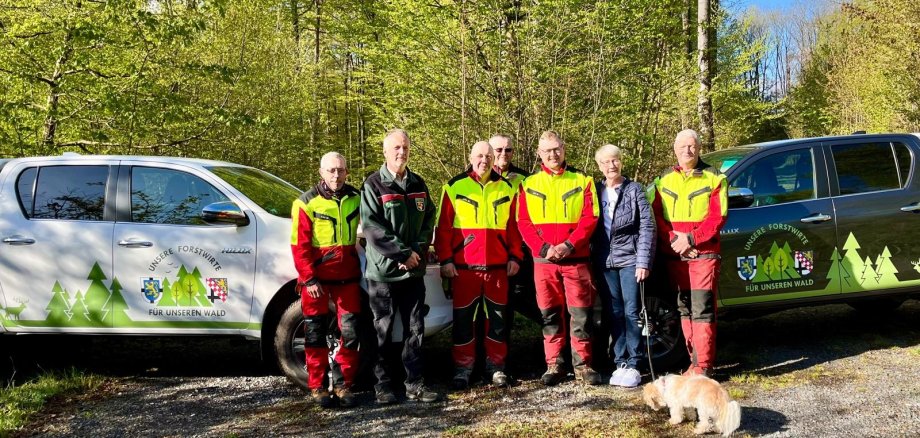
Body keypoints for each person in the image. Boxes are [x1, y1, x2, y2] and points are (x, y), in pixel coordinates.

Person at [360, 128, 440, 404]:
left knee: (414, 330)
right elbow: (372, 228)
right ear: (385, 152)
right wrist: (403, 254)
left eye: (405, 147)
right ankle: (383, 386)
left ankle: (415, 384)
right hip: (383, 274)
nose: (401, 152)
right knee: (381, 331)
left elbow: (429, 218)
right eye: (396, 148)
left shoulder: (418, 183)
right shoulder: (373, 185)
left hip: (413, 272)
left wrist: (416, 251)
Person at [517, 130, 602, 386]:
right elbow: (523, 221)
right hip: (544, 263)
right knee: (549, 314)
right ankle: (554, 364)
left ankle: (583, 365)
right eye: (547, 151)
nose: (553, 154)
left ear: (564, 149)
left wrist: (568, 245)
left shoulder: (583, 180)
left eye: (557, 149)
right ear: (539, 154)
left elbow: (591, 217)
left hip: (575, 259)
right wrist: (544, 249)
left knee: (580, 314)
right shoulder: (528, 184)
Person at [435, 141, 523, 390]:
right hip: (464, 268)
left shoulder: (507, 188)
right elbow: (442, 228)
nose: (484, 160)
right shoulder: (453, 187)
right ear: (470, 157)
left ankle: (496, 367)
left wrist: (515, 257)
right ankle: (463, 368)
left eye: (488, 155)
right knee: (463, 322)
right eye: (479, 156)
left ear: (494, 158)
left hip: (498, 268)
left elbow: (514, 227)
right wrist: (446, 260)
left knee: (497, 321)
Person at [649, 129, 727, 377]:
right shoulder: (663, 180)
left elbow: (718, 217)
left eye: (692, 146)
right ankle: (694, 361)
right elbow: (657, 216)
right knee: (684, 308)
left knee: (702, 309)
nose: (688, 150)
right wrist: (674, 239)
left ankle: (703, 366)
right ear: (675, 149)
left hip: (703, 254)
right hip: (675, 255)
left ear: (699, 148)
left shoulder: (715, 178)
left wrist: (692, 239)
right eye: (683, 146)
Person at [290, 151, 362, 408]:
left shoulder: (357, 197)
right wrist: (309, 279)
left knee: (351, 333)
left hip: (348, 278)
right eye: (331, 170)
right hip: (316, 281)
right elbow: (299, 245)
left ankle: (344, 385)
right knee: (315, 333)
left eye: (341, 170)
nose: (336, 175)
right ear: (321, 172)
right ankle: (318, 387)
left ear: (347, 172)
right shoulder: (305, 203)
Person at [591, 144, 655, 388]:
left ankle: (636, 362)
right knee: (613, 312)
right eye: (606, 162)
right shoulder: (595, 191)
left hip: (630, 260)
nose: (611, 166)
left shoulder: (635, 189)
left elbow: (647, 226)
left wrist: (643, 261)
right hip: (605, 262)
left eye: (615, 160)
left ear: (621, 162)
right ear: (599, 166)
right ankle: (621, 362)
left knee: (631, 311)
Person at [488, 134, 542, 342]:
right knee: (496, 307)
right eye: (498, 150)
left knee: (525, 300)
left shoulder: (525, 179)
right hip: (488, 254)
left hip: (520, 253)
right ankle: (496, 359)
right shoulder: (474, 178)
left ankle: (557, 351)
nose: (503, 154)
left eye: (508, 150)